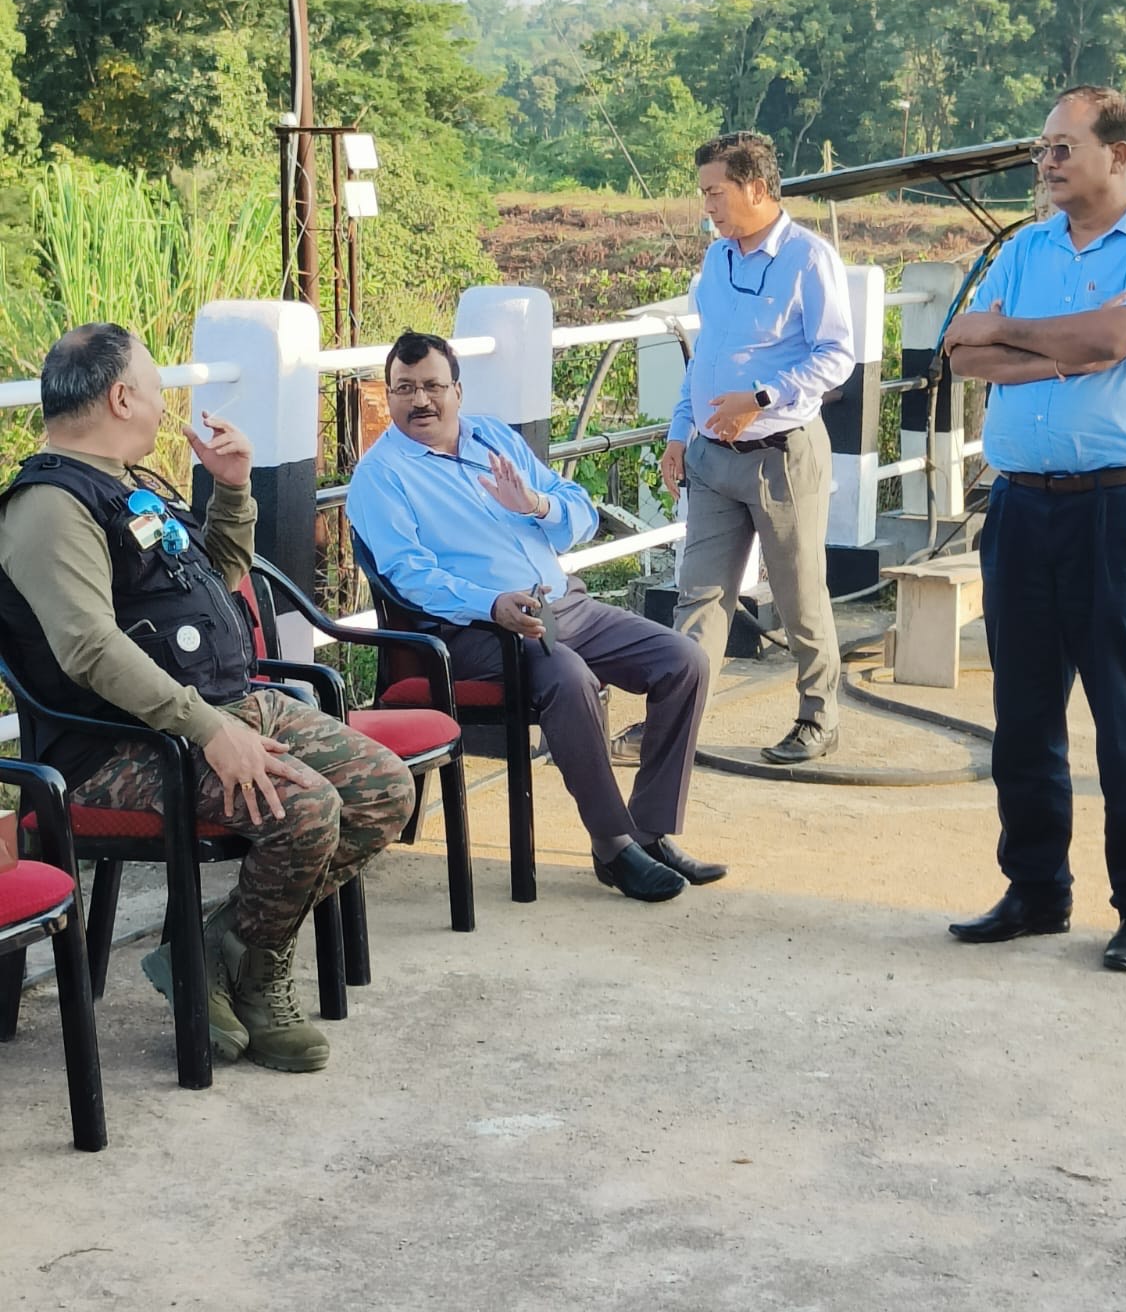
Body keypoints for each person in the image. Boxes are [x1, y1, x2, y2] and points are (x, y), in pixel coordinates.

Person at [0, 324, 417, 1071]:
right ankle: (251, 979)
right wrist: (207, 732)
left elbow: (218, 577)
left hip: (217, 709)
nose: (166, 404)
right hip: (119, 745)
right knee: (308, 810)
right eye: (157, 388)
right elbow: (89, 648)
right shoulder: (49, 507)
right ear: (121, 395)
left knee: (384, 789)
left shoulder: (128, 485)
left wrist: (232, 486)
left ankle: (216, 955)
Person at [944, 86, 1126, 972]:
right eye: (1042, 149)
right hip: (1020, 505)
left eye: (1062, 146)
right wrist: (1062, 346)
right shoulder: (1026, 247)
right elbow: (963, 355)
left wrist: (1018, 337)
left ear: (1118, 155)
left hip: (1115, 508)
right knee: (1022, 711)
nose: (1046, 162)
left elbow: (1118, 338)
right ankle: (1036, 891)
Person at [346, 331, 721, 904]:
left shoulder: (493, 437)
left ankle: (650, 830)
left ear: (457, 390)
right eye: (403, 388)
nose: (419, 400)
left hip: (563, 605)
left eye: (431, 387)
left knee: (683, 660)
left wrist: (535, 505)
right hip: (473, 631)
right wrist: (490, 603)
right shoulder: (382, 476)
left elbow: (578, 512)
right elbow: (409, 574)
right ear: (389, 394)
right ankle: (614, 845)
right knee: (568, 679)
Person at [661, 131, 855, 764]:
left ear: (756, 188)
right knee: (700, 598)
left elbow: (837, 357)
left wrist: (764, 397)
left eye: (716, 193)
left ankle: (818, 718)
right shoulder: (716, 261)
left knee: (800, 594)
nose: (709, 207)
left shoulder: (809, 258)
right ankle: (674, 724)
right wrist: (678, 431)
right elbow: (706, 354)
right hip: (714, 458)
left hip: (781, 454)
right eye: (704, 195)